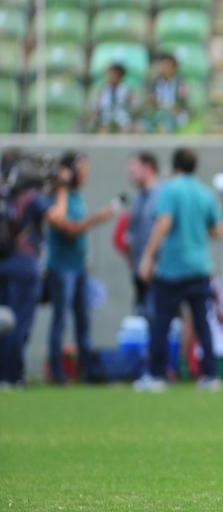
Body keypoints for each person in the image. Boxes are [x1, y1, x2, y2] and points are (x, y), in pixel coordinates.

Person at [137, 148, 223, 390]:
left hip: (172, 268)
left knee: (161, 323)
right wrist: (197, 228)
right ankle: (210, 375)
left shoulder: (170, 189)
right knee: (202, 323)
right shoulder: (205, 193)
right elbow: (219, 231)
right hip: (200, 266)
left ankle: (156, 375)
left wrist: (147, 256)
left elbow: (164, 222)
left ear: (174, 166)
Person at [45, 153, 115, 385]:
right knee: (60, 320)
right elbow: (69, 228)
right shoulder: (58, 198)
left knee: (83, 321)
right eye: (82, 169)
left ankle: (86, 371)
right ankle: (57, 373)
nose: (86, 174)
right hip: (61, 269)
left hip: (78, 267)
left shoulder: (76, 197)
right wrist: (97, 218)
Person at [0, 151, 52, 389]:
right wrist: (58, 191)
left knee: (4, 322)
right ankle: (12, 375)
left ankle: (5, 374)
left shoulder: (5, 194)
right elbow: (55, 217)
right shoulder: (32, 196)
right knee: (19, 323)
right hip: (24, 264)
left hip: (5, 263)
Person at [125, 152, 158, 318]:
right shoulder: (138, 198)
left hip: (156, 273)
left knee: (155, 318)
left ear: (148, 168)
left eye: (135, 169)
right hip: (139, 272)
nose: (131, 174)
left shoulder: (161, 196)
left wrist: (153, 262)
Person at [89, 63, 138, 133]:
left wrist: (130, 102)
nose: (109, 77)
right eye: (108, 74)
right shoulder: (102, 89)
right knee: (103, 128)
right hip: (105, 116)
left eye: (112, 74)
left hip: (122, 116)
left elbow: (134, 106)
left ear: (119, 75)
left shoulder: (127, 90)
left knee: (125, 128)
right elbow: (96, 106)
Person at [146, 54, 190, 133]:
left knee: (163, 127)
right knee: (141, 126)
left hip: (175, 114)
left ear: (173, 67)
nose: (164, 67)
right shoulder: (155, 82)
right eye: (162, 64)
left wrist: (169, 109)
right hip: (159, 113)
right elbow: (151, 102)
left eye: (167, 64)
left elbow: (182, 104)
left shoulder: (181, 83)